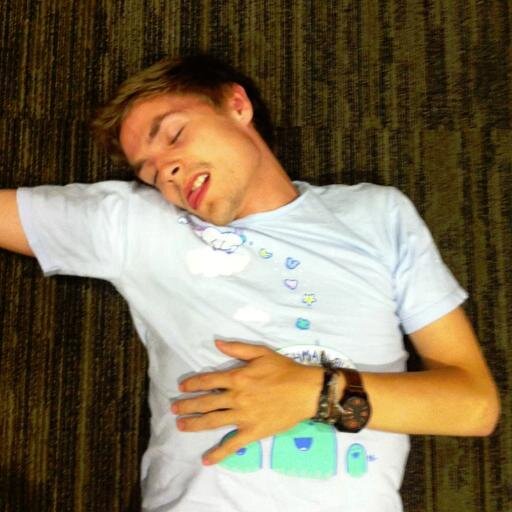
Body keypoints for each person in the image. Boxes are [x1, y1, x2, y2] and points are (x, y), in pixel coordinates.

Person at [0, 54, 500, 512]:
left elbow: (473, 405)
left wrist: (314, 392)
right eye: (149, 173)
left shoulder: (375, 214)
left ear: (236, 105)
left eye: (173, 134)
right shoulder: (136, 222)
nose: (166, 171)